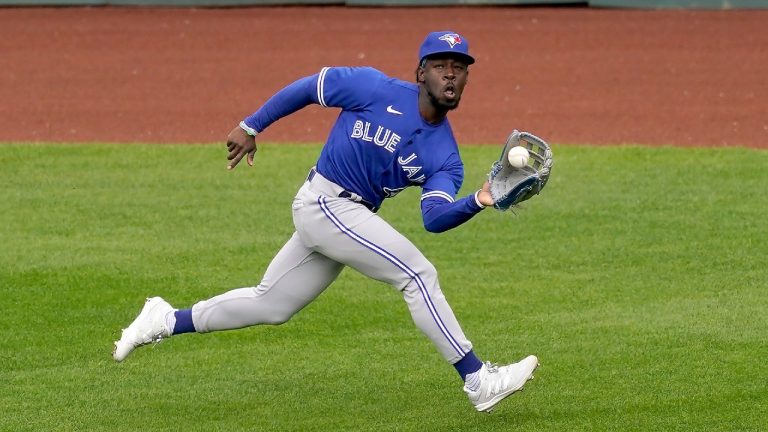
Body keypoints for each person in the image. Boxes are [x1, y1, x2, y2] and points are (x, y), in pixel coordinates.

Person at [113, 30, 538, 412]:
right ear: (421, 72)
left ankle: (165, 319)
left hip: (345, 218)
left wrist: (480, 200)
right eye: (441, 66)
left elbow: (435, 217)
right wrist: (251, 124)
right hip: (324, 203)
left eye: (459, 69)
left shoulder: (445, 155)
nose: (451, 75)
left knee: (272, 304)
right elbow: (308, 89)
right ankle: (477, 378)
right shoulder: (371, 86)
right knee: (417, 275)